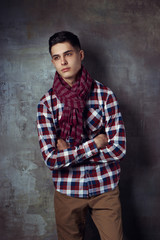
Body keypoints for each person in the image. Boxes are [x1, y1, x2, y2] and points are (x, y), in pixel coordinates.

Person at [37, 31, 126, 240]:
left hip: (105, 187)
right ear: (53, 61)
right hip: (67, 191)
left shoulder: (105, 96)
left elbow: (119, 149)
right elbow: (50, 159)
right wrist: (95, 144)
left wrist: (69, 153)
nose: (63, 62)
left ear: (81, 55)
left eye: (68, 54)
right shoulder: (46, 104)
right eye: (57, 57)